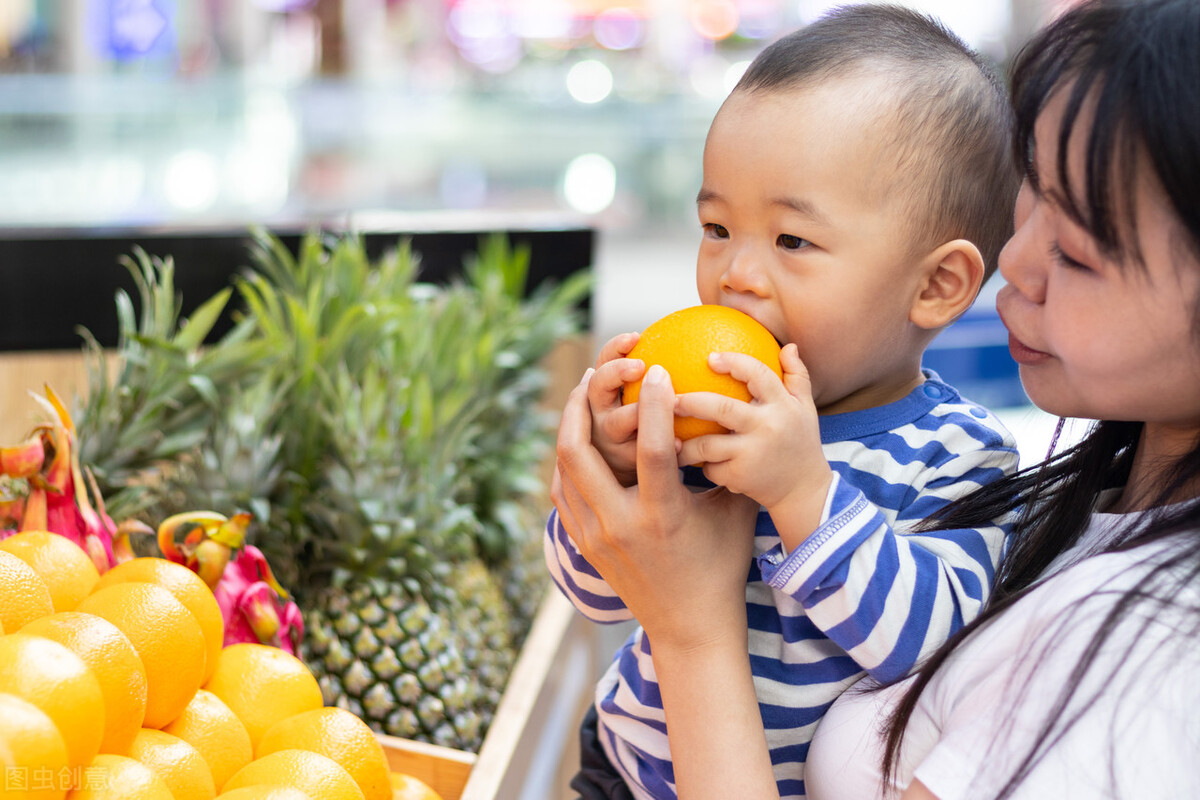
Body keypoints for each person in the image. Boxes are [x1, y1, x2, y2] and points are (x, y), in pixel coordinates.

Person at [554, 0, 1200, 798]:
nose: (735, 275)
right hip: (617, 768)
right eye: (717, 227)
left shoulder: (959, 458)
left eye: (792, 241)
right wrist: (612, 483)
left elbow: (917, 639)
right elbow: (596, 591)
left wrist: (802, 497)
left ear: (935, 284)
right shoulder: (712, 412)